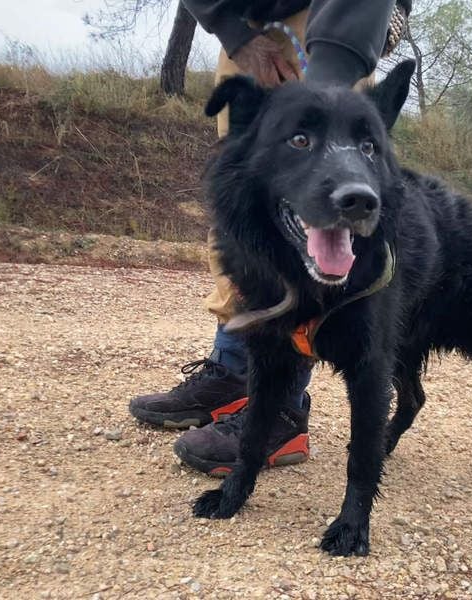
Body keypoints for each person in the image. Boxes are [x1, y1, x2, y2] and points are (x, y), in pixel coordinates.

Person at [129, 0, 411, 476]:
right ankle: (236, 369)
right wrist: (233, 32)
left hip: (332, 26)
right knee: (250, 208)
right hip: (241, 23)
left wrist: (331, 74)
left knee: (326, 210)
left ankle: (281, 404)